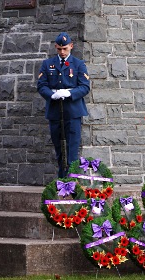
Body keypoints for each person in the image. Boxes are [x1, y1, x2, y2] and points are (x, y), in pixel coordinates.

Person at [37, 32, 91, 178]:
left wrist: (70, 94)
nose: (62, 52)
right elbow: (41, 86)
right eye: (59, 49)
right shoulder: (48, 64)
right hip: (55, 111)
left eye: (65, 49)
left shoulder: (79, 64)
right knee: (59, 148)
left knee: (72, 149)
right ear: (56, 47)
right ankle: (61, 179)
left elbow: (85, 86)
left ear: (71, 46)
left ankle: (71, 181)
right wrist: (51, 94)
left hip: (72, 111)